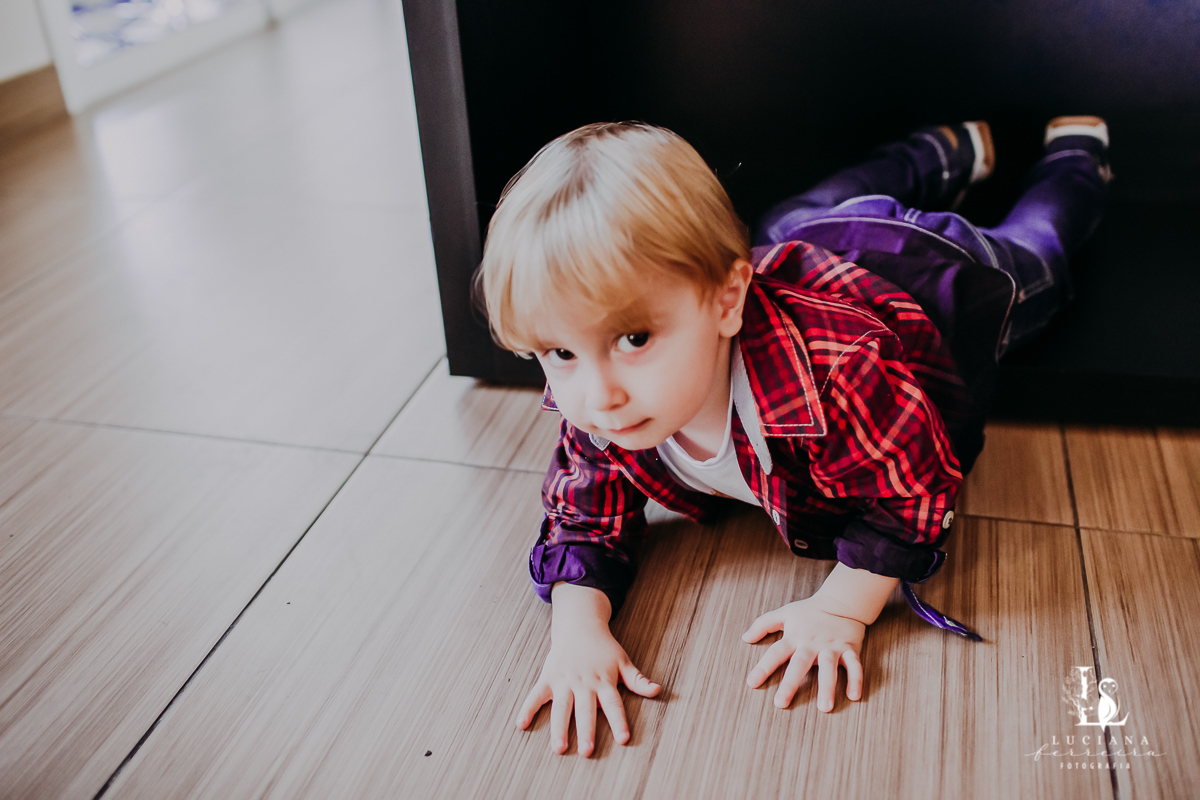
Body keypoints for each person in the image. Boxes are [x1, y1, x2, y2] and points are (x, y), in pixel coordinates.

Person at [475, 117, 1110, 757]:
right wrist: (577, 631)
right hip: (799, 243)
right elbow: (583, 518)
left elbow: (911, 491)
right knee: (806, 209)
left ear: (727, 301)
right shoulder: (602, 404)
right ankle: (940, 151)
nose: (597, 396)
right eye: (560, 351)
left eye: (634, 339)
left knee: (1037, 260)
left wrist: (842, 607)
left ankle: (1079, 159)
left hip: (922, 269)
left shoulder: (840, 374)